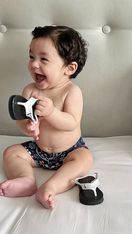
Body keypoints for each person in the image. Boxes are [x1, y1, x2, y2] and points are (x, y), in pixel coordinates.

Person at [0, 25, 93, 209]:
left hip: (70, 150)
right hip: (39, 150)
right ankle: (25, 180)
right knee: (11, 152)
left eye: (44, 59)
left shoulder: (71, 92)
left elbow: (71, 123)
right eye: (31, 57)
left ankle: (51, 186)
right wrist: (27, 127)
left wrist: (51, 113)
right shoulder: (29, 90)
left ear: (69, 68)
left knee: (85, 158)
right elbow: (22, 120)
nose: (34, 64)